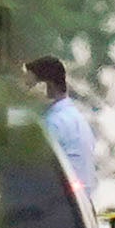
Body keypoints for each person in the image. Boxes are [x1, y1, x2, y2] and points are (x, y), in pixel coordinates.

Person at [27, 55, 98, 193]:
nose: (27, 93)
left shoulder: (54, 123)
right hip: (80, 205)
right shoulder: (75, 118)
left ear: (47, 85)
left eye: (31, 85)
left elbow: (35, 172)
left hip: (58, 206)